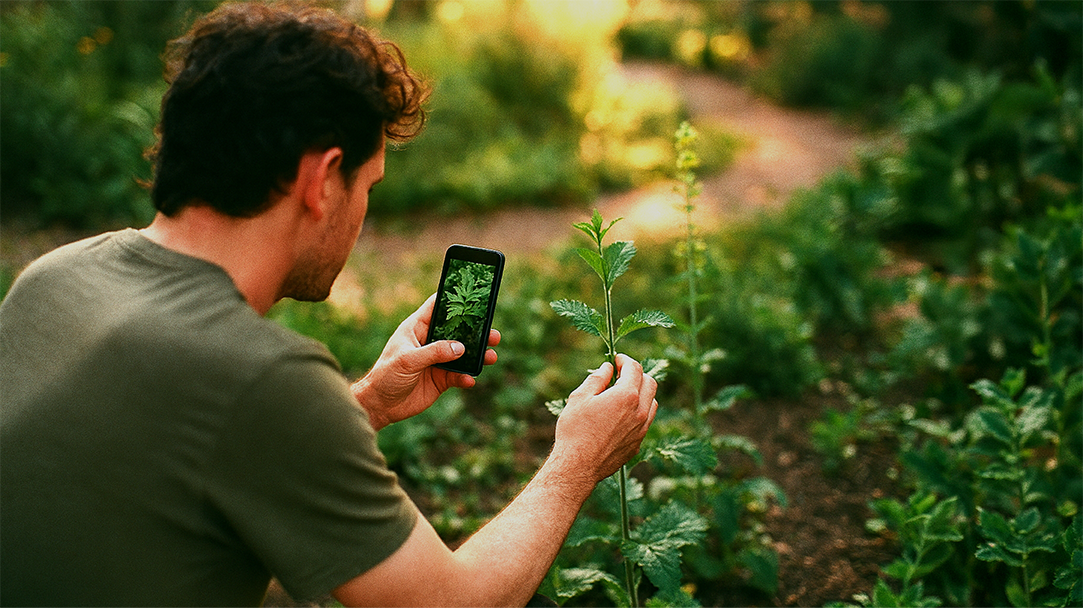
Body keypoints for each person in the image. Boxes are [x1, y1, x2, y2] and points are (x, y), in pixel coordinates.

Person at [0, 2, 659, 607]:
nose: (363, 212)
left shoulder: (52, 278)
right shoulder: (257, 377)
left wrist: (366, 401)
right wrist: (575, 462)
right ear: (321, 180)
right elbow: (453, 604)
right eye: (367, 183)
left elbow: (173, 454)